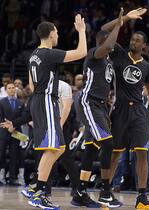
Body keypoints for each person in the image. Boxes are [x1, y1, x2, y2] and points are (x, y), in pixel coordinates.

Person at [101, 8, 149, 209]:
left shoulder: (148, 67)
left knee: (142, 153)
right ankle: (106, 191)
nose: (133, 42)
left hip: (139, 113)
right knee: (115, 153)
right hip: (119, 110)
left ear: (144, 46)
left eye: (138, 40)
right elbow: (103, 30)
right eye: (133, 39)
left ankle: (142, 197)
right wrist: (125, 18)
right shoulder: (118, 53)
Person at [26, 14, 87, 210]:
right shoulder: (47, 53)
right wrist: (82, 31)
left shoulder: (34, 54)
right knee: (53, 149)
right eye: (57, 32)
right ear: (51, 34)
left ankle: (36, 185)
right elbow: (82, 52)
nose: (58, 35)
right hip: (45, 100)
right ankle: (38, 192)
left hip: (38, 98)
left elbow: (30, 84)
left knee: (59, 147)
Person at [71, 9, 123, 209]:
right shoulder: (94, 54)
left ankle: (80, 192)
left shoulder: (109, 60)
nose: (113, 46)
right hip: (88, 101)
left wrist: (123, 18)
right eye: (109, 43)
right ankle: (105, 191)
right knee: (107, 144)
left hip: (101, 105)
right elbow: (108, 40)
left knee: (92, 147)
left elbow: (107, 35)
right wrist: (119, 25)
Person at [0, 82, 25, 185]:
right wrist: (7, 126)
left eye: (13, 88)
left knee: (14, 155)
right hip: (3, 132)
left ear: (16, 89)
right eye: (9, 88)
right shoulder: (1, 102)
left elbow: (23, 117)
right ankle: (1, 176)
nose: (11, 89)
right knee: (1, 154)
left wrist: (13, 126)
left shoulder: (20, 103)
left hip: (16, 132)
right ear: (6, 90)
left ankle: (12, 177)